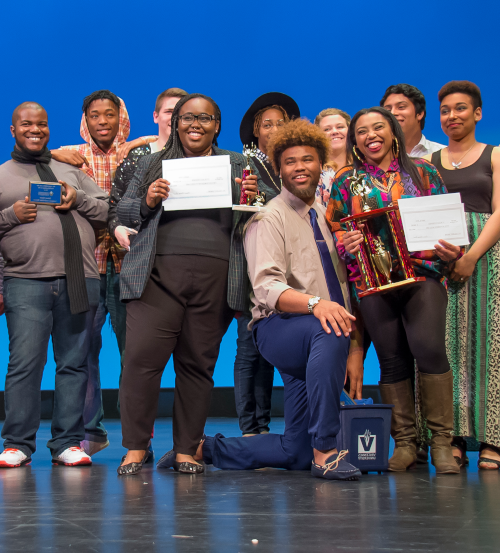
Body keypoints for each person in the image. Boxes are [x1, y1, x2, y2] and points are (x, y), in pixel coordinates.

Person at [163, 118, 363, 481]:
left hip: (315, 334)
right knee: (330, 329)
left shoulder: (322, 214)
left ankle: (203, 448)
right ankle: (327, 451)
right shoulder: (268, 218)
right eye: (289, 162)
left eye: (307, 160)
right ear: (278, 169)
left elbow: (337, 285)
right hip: (279, 329)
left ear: (322, 164)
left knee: (294, 451)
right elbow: (267, 288)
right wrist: (319, 305)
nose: (299, 168)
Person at [116, 93, 261, 476]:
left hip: (214, 281)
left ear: (217, 125)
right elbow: (124, 209)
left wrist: (253, 198)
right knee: (140, 362)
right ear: (176, 122)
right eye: (188, 117)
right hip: (156, 280)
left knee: (197, 365)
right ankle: (135, 447)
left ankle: (185, 450)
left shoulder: (238, 163)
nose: (196, 124)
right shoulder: (153, 162)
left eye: (206, 118)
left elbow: (269, 207)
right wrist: (147, 200)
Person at [327, 107, 461, 474]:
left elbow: (447, 222)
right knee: (390, 358)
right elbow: (335, 227)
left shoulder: (423, 172)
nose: (370, 135)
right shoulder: (344, 181)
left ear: (393, 132)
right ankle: (405, 444)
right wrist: (346, 243)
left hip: (422, 275)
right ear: (354, 140)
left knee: (428, 348)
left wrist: (452, 248)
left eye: (378, 128)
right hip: (372, 282)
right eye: (362, 131)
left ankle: (442, 445)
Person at [0, 102, 109, 468]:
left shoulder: (70, 172)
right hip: (25, 281)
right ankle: (17, 443)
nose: (36, 129)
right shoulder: (2, 175)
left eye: (42, 124)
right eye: (27, 124)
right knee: (25, 365)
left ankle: (66, 442)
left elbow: (109, 211)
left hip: (79, 280)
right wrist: (9, 215)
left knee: (75, 364)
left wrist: (77, 199)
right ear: (13, 130)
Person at [50, 90, 157, 456]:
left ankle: (137, 436)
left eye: (109, 114)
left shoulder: (139, 154)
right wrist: (51, 154)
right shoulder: (69, 158)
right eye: (94, 115)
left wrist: (142, 140)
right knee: (83, 352)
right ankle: (91, 432)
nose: (102, 121)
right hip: (88, 267)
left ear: (120, 117)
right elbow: (29, 159)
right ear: (85, 120)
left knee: (136, 354)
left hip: (131, 267)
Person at [427, 81, 500, 470]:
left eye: (460, 108)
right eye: (445, 111)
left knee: (488, 345)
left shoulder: (494, 155)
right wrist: (450, 254)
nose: (451, 116)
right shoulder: (432, 161)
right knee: (449, 345)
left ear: (477, 113)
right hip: (442, 257)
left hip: (487, 256)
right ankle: (451, 434)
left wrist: (471, 256)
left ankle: (492, 438)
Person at [234, 92, 300, 437]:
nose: (275, 129)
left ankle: (291, 426)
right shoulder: (243, 166)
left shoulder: (292, 163)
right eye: (267, 124)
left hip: (292, 269)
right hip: (254, 268)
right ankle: (252, 427)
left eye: (281, 123)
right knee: (251, 346)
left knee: (284, 343)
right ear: (255, 132)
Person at [110, 88, 188, 253]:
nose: (175, 118)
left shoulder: (199, 160)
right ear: (155, 116)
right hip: (143, 253)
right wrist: (117, 228)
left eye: (181, 113)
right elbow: (115, 205)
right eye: (169, 112)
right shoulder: (137, 157)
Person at [381, 84, 445, 158]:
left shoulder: (442, 154)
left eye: (401, 107)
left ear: (420, 114)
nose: (393, 113)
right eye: (388, 110)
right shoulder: (377, 158)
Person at [314, 108, 352, 207]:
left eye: (340, 127)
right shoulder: (316, 174)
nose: (334, 132)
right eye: (327, 129)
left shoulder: (363, 167)